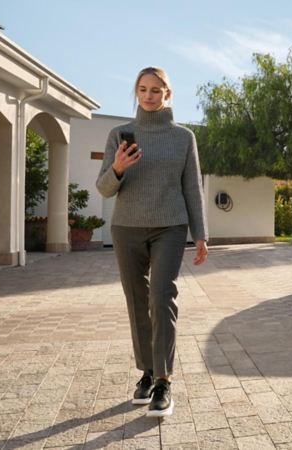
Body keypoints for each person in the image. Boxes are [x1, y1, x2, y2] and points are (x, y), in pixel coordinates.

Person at [96, 67, 208, 417]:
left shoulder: (183, 137)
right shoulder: (119, 134)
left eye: (156, 90)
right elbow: (104, 188)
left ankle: (163, 380)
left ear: (167, 94)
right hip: (126, 228)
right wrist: (116, 168)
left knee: (161, 297)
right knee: (136, 301)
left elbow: (192, 187)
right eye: (143, 89)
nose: (148, 95)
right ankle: (145, 373)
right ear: (137, 93)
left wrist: (200, 234)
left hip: (170, 228)